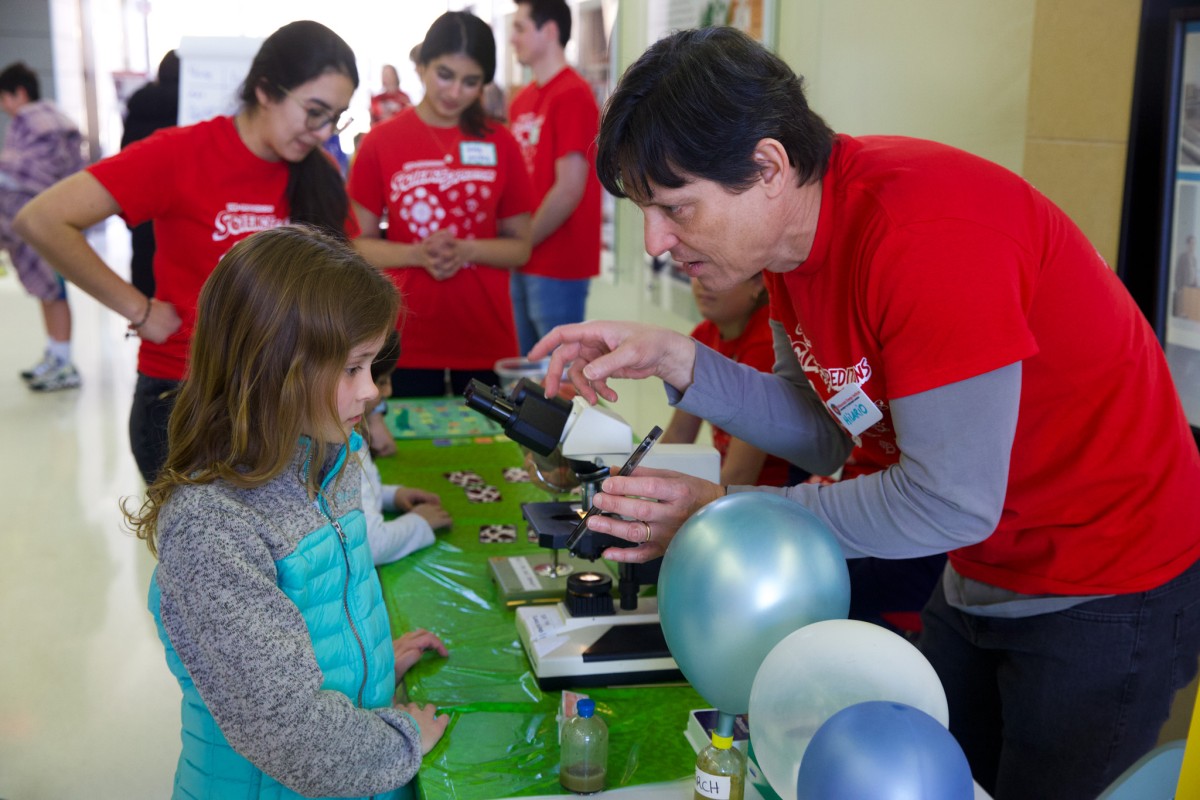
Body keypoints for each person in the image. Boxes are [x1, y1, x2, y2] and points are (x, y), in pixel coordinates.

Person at [529, 27, 1200, 800]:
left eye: (676, 207)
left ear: (769, 166)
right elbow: (820, 433)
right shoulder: (787, 250)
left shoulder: (922, 238)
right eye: (647, 210)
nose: (655, 241)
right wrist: (679, 359)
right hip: (983, 563)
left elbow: (949, 496)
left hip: (1104, 575)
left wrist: (732, 515)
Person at [125, 225, 448, 798]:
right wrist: (402, 739)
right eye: (353, 369)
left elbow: (320, 620)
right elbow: (287, 731)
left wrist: (368, 672)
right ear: (272, 368)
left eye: (371, 366)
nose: (371, 390)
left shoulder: (329, 452)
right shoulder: (211, 527)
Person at [15, 20, 360, 483]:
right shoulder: (182, 153)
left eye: (336, 117)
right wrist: (138, 309)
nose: (323, 131)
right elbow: (42, 219)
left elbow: (347, 275)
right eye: (315, 111)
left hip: (285, 402)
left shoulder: (318, 174)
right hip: (186, 397)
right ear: (265, 90)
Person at [348, 11, 533, 398]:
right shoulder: (381, 142)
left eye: (471, 81)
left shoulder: (501, 143)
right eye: (444, 74)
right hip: (404, 337)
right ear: (421, 66)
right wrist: (417, 253)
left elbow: (520, 245)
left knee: (490, 453)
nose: (454, 92)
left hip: (485, 336)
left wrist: (467, 248)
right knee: (409, 454)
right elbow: (357, 244)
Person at [507, 0, 603, 356]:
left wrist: (521, 242)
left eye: (520, 28)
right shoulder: (521, 100)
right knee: (523, 377)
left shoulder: (573, 94)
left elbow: (569, 188)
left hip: (558, 263)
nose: (512, 38)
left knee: (554, 377)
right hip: (522, 256)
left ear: (549, 31)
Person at [0, 61, 85, 392]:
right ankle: (54, 353)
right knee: (47, 293)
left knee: (55, 291)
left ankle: (64, 364)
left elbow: (34, 171)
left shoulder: (33, 122)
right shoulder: (54, 121)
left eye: (4, 98)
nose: (4, 108)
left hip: (50, 221)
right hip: (42, 220)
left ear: (19, 94)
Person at [661, 274, 789, 486]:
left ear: (757, 283)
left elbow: (742, 473)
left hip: (777, 497)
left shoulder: (765, 343)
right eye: (695, 269)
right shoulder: (705, 335)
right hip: (733, 487)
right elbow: (678, 435)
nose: (702, 283)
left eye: (717, 270)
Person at [361, 328, 453, 564]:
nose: (388, 391)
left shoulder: (350, 436)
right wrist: (419, 523)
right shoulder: (343, 443)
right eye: (381, 382)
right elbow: (371, 545)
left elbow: (352, 498)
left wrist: (390, 495)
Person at [120, 49, 180, 298]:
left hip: (143, 203)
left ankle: (144, 312)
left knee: (145, 258)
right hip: (179, 203)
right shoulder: (192, 109)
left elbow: (125, 155)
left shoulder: (138, 104)